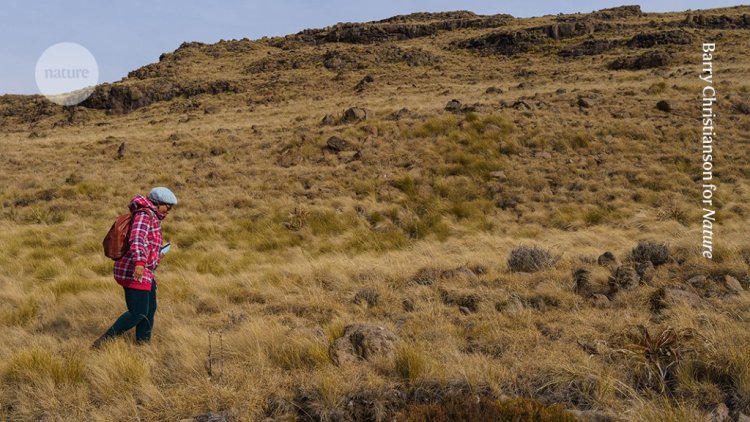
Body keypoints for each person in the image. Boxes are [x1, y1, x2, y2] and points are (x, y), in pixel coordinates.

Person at [92, 187, 177, 348]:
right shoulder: (144, 215)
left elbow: (147, 242)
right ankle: (103, 343)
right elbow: (137, 239)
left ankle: (143, 346)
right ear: (158, 203)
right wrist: (139, 263)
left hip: (145, 271)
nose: (169, 210)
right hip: (134, 270)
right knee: (138, 312)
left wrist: (158, 254)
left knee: (149, 310)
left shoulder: (151, 216)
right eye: (168, 206)